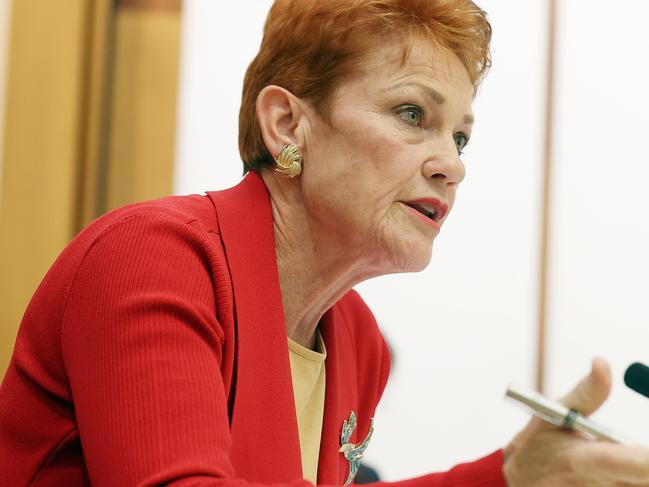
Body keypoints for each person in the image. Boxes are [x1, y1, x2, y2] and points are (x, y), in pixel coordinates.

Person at [1, 1, 649, 486]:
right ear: (287, 124)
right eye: (412, 114)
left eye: (460, 137)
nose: (451, 164)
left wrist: (513, 474)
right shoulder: (151, 259)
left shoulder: (355, 339)